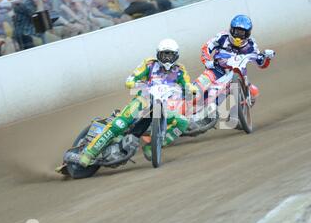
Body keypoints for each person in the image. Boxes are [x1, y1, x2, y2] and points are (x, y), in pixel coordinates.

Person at [79, 38, 198, 167]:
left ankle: (152, 146)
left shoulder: (180, 70)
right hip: (143, 100)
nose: (167, 59)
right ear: (158, 54)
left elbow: (187, 83)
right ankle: (89, 152)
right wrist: (132, 82)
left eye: (170, 55)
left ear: (176, 56)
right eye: (165, 55)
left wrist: (191, 88)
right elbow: (132, 77)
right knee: (119, 124)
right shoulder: (149, 64)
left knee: (183, 122)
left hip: (164, 105)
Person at [196, 14, 275, 106]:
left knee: (254, 92)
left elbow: (261, 63)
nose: (238, 36)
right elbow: (206, 48)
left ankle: (235, 106)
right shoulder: (222, 37)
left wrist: (266, 57)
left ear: (247, 34)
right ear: (231, 29)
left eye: (242, 33)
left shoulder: (251, 45)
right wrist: (207, 61)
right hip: (216, 70)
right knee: (197, 88)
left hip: (238, 76)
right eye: (237, 32)